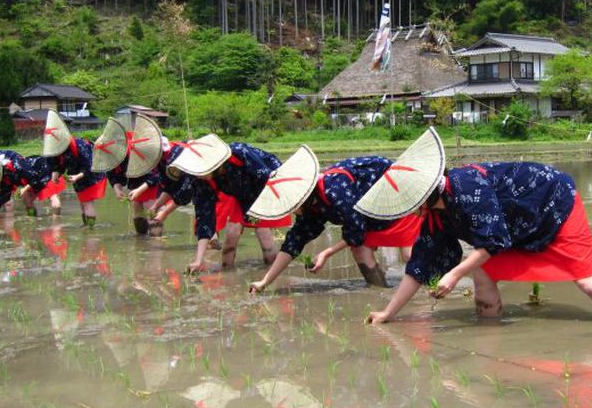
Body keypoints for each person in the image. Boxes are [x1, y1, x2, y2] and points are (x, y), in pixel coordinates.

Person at [357, 128, 592, 325]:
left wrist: (453, 275)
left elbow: (493, 241)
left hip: (554, 204)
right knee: (483, 274)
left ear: (424, 197)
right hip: (516, 225)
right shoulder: (435, 217)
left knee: (588, 281)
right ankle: (489, 333)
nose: (408, 213)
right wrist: (388, 314)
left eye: (409, 205)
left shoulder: (466, 187)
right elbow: (417, 268)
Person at [248, 147, 422, 292]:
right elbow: (292, 244)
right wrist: (264, 282)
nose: (292, 211)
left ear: (303, 196)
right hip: (371, 208)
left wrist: (326, 253)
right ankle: (381, 291)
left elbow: (356, 230)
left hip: (395, 190)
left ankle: (430, 288)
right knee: (360, 249)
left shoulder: (334, 190)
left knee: (409, 255)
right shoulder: (311, 208)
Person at [169, 134, 291, 272]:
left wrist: (265, 213)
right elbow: (204, 217)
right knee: (231, 238)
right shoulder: (201, 180)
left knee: (264, 237)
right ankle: (228, 273)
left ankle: (273, 274)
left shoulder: (240, 153)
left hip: (267, 188)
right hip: (239, 196)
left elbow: (269, 178)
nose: (197, 174)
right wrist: (199, 259)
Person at [94, 116, 160, 234]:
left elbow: (155, 175)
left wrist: (140, 190)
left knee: (151, 214)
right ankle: (142, 242)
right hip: (134, 182)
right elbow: (113, 174)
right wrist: (117, 189)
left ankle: (156, 245)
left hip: (149, 183)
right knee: (138, 217)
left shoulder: (138, 149)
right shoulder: (112, 157)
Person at [41, 110, 106, 227]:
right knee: (83, 202)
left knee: (87, 202)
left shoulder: (81, 146)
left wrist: (77, 176)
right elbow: (56, 165)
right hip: (76, 176)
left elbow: (90, 166)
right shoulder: (53, 150)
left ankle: (91, 230)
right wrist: (56, 174)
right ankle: (86, 225)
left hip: (91, 174)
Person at [0, 150, 64, 217]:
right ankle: (32, 219)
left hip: (45, 172)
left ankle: (56, 221)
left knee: (52, 197)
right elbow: (1, 197)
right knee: (27, 202)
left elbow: (35, 177)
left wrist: (25, 189)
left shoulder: (16, 165)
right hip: (30, 180)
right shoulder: (5, 176)